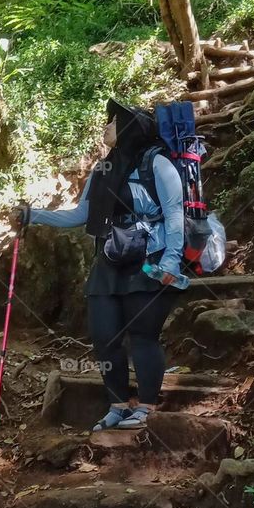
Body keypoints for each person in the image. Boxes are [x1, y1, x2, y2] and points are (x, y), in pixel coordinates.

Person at [12, 98, 187, 431]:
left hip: (150, 260)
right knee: (104, 336)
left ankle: (146, 407)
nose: (105, 127)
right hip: (110, 259)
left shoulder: (158, 164)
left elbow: (174, 213)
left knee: (142, 336)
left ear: (129, 129)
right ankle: (118, 405)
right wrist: (33, 215)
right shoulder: (104, 169)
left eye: (112, 122)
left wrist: (171, 260)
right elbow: (80, 215)